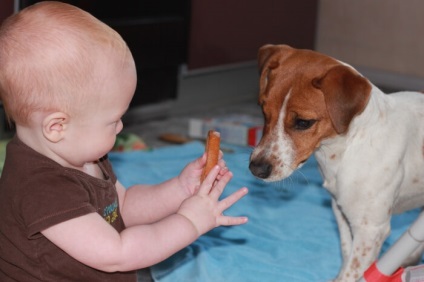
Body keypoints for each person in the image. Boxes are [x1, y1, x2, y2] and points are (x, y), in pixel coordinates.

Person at [0, 2, 249, 281]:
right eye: (113, 120)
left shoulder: (85, 153)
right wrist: (188, 222)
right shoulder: (41, 189)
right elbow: (118, 254)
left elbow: (124, 205)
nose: (121, 127)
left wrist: (178, 189)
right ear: (57, 127)